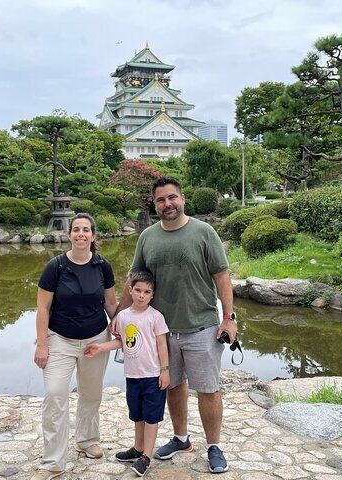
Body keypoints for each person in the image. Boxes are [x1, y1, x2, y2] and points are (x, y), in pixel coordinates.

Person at [117, 177, 238, 474]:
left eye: (172, 198)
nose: (167, 204)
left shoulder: (203, 232)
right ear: (154, 204)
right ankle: (181, 438)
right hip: (161, 331)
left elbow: (222, 276)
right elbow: (133, 280)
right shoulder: (147, 237)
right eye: (161, 200)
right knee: (172, 385)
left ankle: (213, 446)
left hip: (202, 326)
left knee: (208, 389)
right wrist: (118, 319)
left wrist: (228, 318)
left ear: (182, 199)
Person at [33, 213, 118, 480]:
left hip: (96, 338)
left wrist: (124, 329)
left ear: (93, 236)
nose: (81, 234)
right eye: (76, 230)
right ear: (69, 235)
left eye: (86, 230)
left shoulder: (102, 266)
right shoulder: (55, 267)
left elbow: (111, 305)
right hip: (60, 338)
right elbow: (42, 308)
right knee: (55, 394)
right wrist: (42, 344)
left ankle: (86, 439)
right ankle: (53, 461)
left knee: (91, 393)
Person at [84, 269, 170, 477]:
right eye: (138, 290)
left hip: (152, 376)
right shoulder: (123, 316)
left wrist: (165, 371)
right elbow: (120, 342)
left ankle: (146, 456)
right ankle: (137, 448)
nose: (142, 295)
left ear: (152, 295)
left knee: (151, 418)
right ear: (130, 291)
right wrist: (100, 348)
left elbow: (162, 344)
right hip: (132, 376)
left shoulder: (155, 317)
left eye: (147, 292)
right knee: (137, 415)